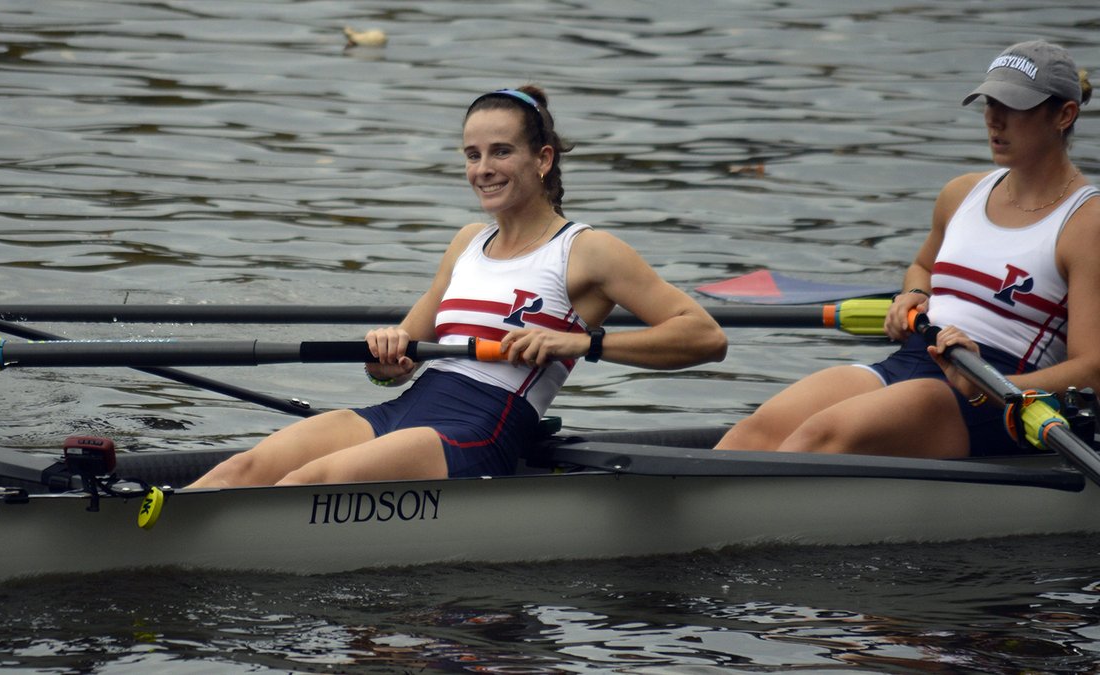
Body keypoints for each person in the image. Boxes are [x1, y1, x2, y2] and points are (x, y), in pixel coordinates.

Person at [190, 86, 727, 487]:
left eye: (501, 152)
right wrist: (385, 358)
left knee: (306, 484)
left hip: (482, 427)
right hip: (408, 406)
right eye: (473, 155)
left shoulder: (587, 250)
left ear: (542, 160)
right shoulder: (467, 241)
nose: (483, 169)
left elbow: (704, 337)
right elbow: (398, 359)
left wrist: (582, 344)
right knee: (246, 467)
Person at [716, 40, 1099, 458]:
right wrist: (914, 294)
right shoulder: (961, 194)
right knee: (754, 433)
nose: (994, 118)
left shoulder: (1086, 224)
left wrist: (986, 382)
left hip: (1003, 398)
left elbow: (1093, 370)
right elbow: (921, 266)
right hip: (916, 357)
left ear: (1064, 115)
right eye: (989, 102)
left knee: (821, 437)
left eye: (1015, 106)